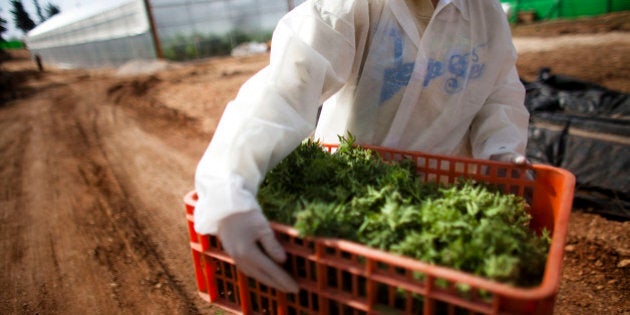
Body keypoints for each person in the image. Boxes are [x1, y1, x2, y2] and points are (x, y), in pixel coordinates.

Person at [194, 0, 529, 294]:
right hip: (344, 199)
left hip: (439, 199)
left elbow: (499, 92)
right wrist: (229, 191)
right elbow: (284, 91)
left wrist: (501, 147)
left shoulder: (485, 14)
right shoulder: (351, 7)